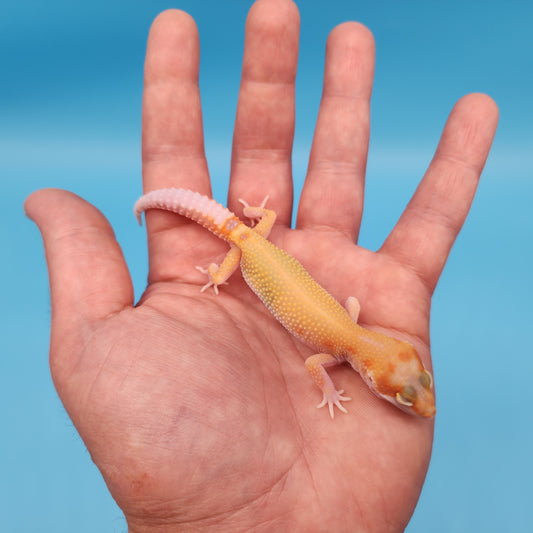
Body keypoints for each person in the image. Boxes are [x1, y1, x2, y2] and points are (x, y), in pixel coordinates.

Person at [24, 0, 498, 531]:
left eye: (411, 390)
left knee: (249, 235)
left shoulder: (352, 330)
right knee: (230, 259)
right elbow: (313, 366)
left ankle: (247, 221)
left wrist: (255, 223)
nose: (419, 400)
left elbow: (342, 324)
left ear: (386, 362)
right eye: (413, 391)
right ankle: (218, 257)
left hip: (257, 235)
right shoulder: (339, 349)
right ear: (371, 370)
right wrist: (218, 279)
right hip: (243, 251)